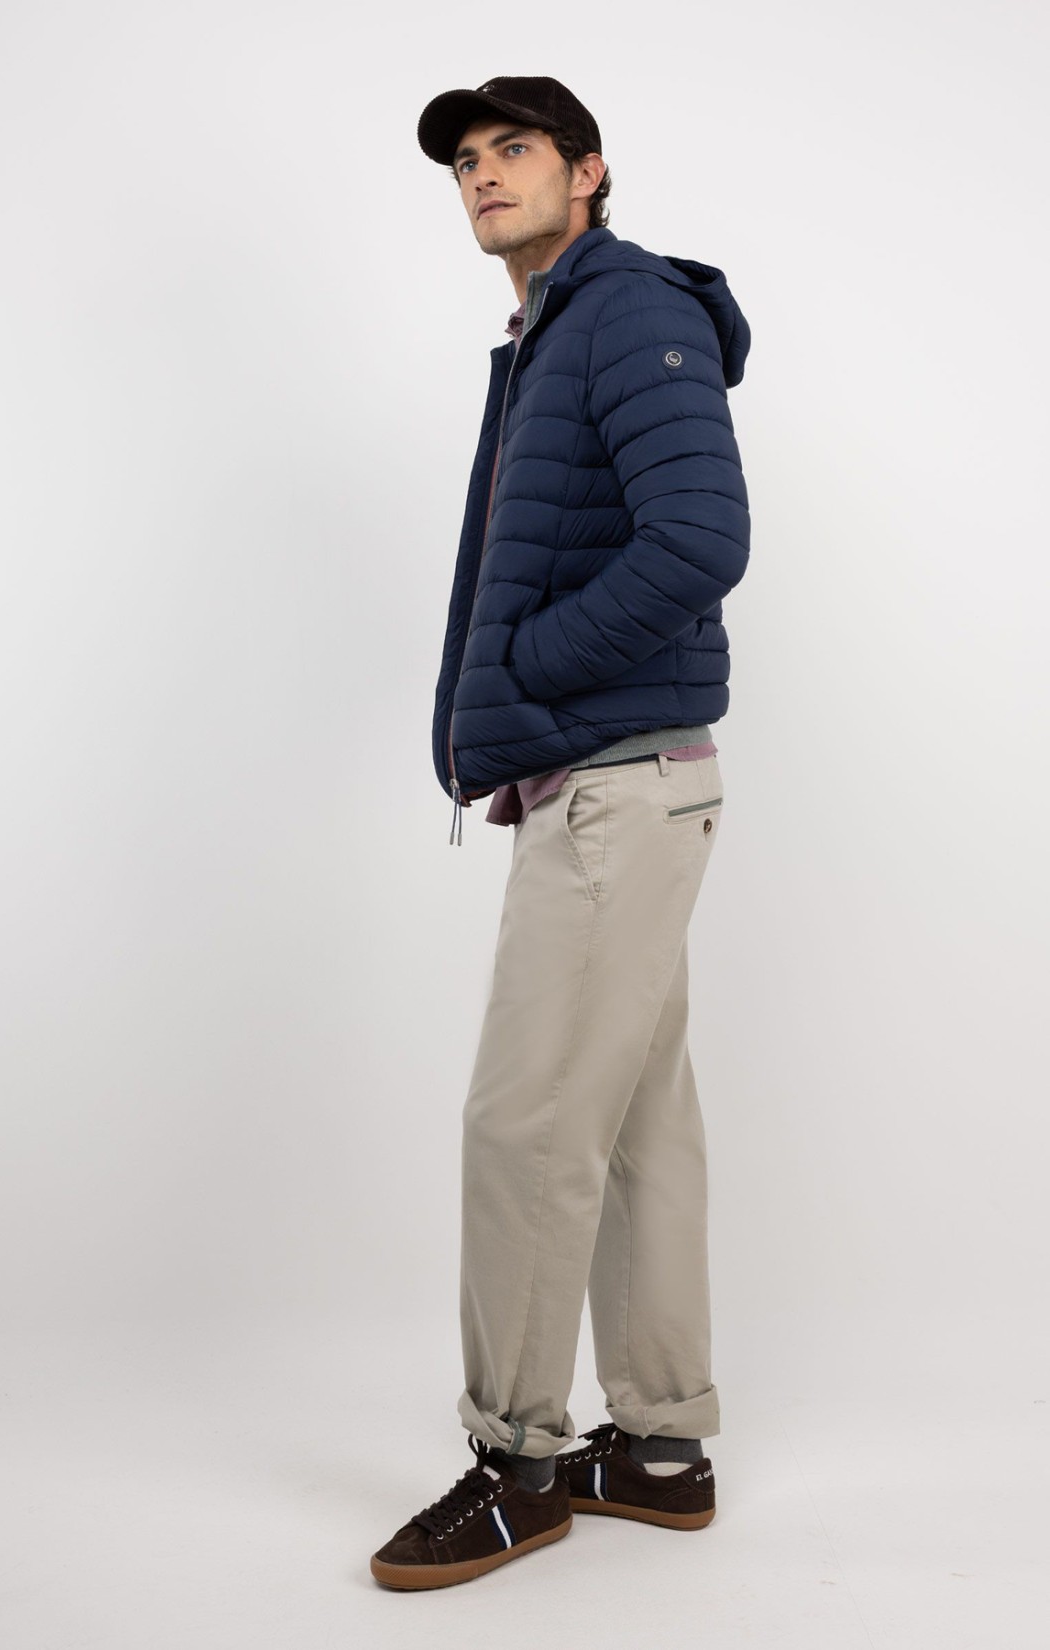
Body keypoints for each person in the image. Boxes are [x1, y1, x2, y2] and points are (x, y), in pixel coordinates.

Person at [370, 75, 751, 1591]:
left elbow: (700, 539)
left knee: (523, 1126)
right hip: (625, 786)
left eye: (513, 148)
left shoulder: (626, 309)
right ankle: (659, 1450)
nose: (483, 173)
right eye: (466, 159)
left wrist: (527, 673)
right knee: (639, 1131)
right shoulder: (550, 332)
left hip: (613, 788)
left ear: (588, 171)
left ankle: (517, 1463)